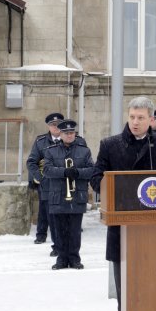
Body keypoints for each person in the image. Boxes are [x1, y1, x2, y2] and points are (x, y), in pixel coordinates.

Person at [90, 96, 156, 311]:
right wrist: (115, 188)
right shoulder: (110, 145)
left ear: (151, 120)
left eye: (140, 118)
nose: (135, 122)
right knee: (128, 293)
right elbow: (95, 177)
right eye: (132, 117)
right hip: (123, 231)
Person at [43, 119, 94, 270]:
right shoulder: (50, 151)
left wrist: (77, 172)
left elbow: (92, 170)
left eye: (72, 133)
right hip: (58, 196)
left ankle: (74, 259)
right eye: (66, 133)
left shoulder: (84, 150)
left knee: (74, 230)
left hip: (77, 196)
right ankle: (61, 259)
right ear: (60, 133)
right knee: (59, 230)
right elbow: (46, 170)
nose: (70, 135)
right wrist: (64, 171)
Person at [27, 112, 64, 256]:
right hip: (47, 182)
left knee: (61, 210)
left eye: (58, 124)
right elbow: (31, 162)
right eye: (53, 125)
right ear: (48, 126)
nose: (56, 127)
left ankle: (61, 238)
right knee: (46, 209)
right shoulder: (41, 141)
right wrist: (39, 178)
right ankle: (42, 235)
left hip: (63, 181)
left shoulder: (68, 138)